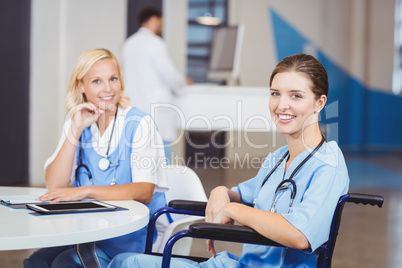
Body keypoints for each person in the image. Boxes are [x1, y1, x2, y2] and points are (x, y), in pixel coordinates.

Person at [107, 53, 350, 267]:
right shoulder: (278, 159)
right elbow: (244, 194)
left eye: (296, 96)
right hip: (239, 264)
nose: (281, 105)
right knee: (125, 261)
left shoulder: (328, 166)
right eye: (275, 94)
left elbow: (299, 235)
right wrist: (222, 191)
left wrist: (234, 209)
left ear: (319, 103)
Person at [23, 48, 169, 268]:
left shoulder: (139, 124)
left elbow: (144, 191)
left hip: (133, 234)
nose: (108, 88)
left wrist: (85, 191)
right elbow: (55, 185)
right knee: (37, 262)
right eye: (96, 81)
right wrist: (76, 129)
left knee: (65, 264)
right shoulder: (78, 123)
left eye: (113, 79)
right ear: (80, 86)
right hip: (89, 231)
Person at [122, 7, 193, 164]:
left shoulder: (129, 43)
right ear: (154, 20)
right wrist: (183, 82)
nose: (162, 26)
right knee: (162, 162)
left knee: (139, 158)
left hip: (134, 108)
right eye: (161, 22)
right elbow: (169, 75)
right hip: (155, 111)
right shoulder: (155, 43)